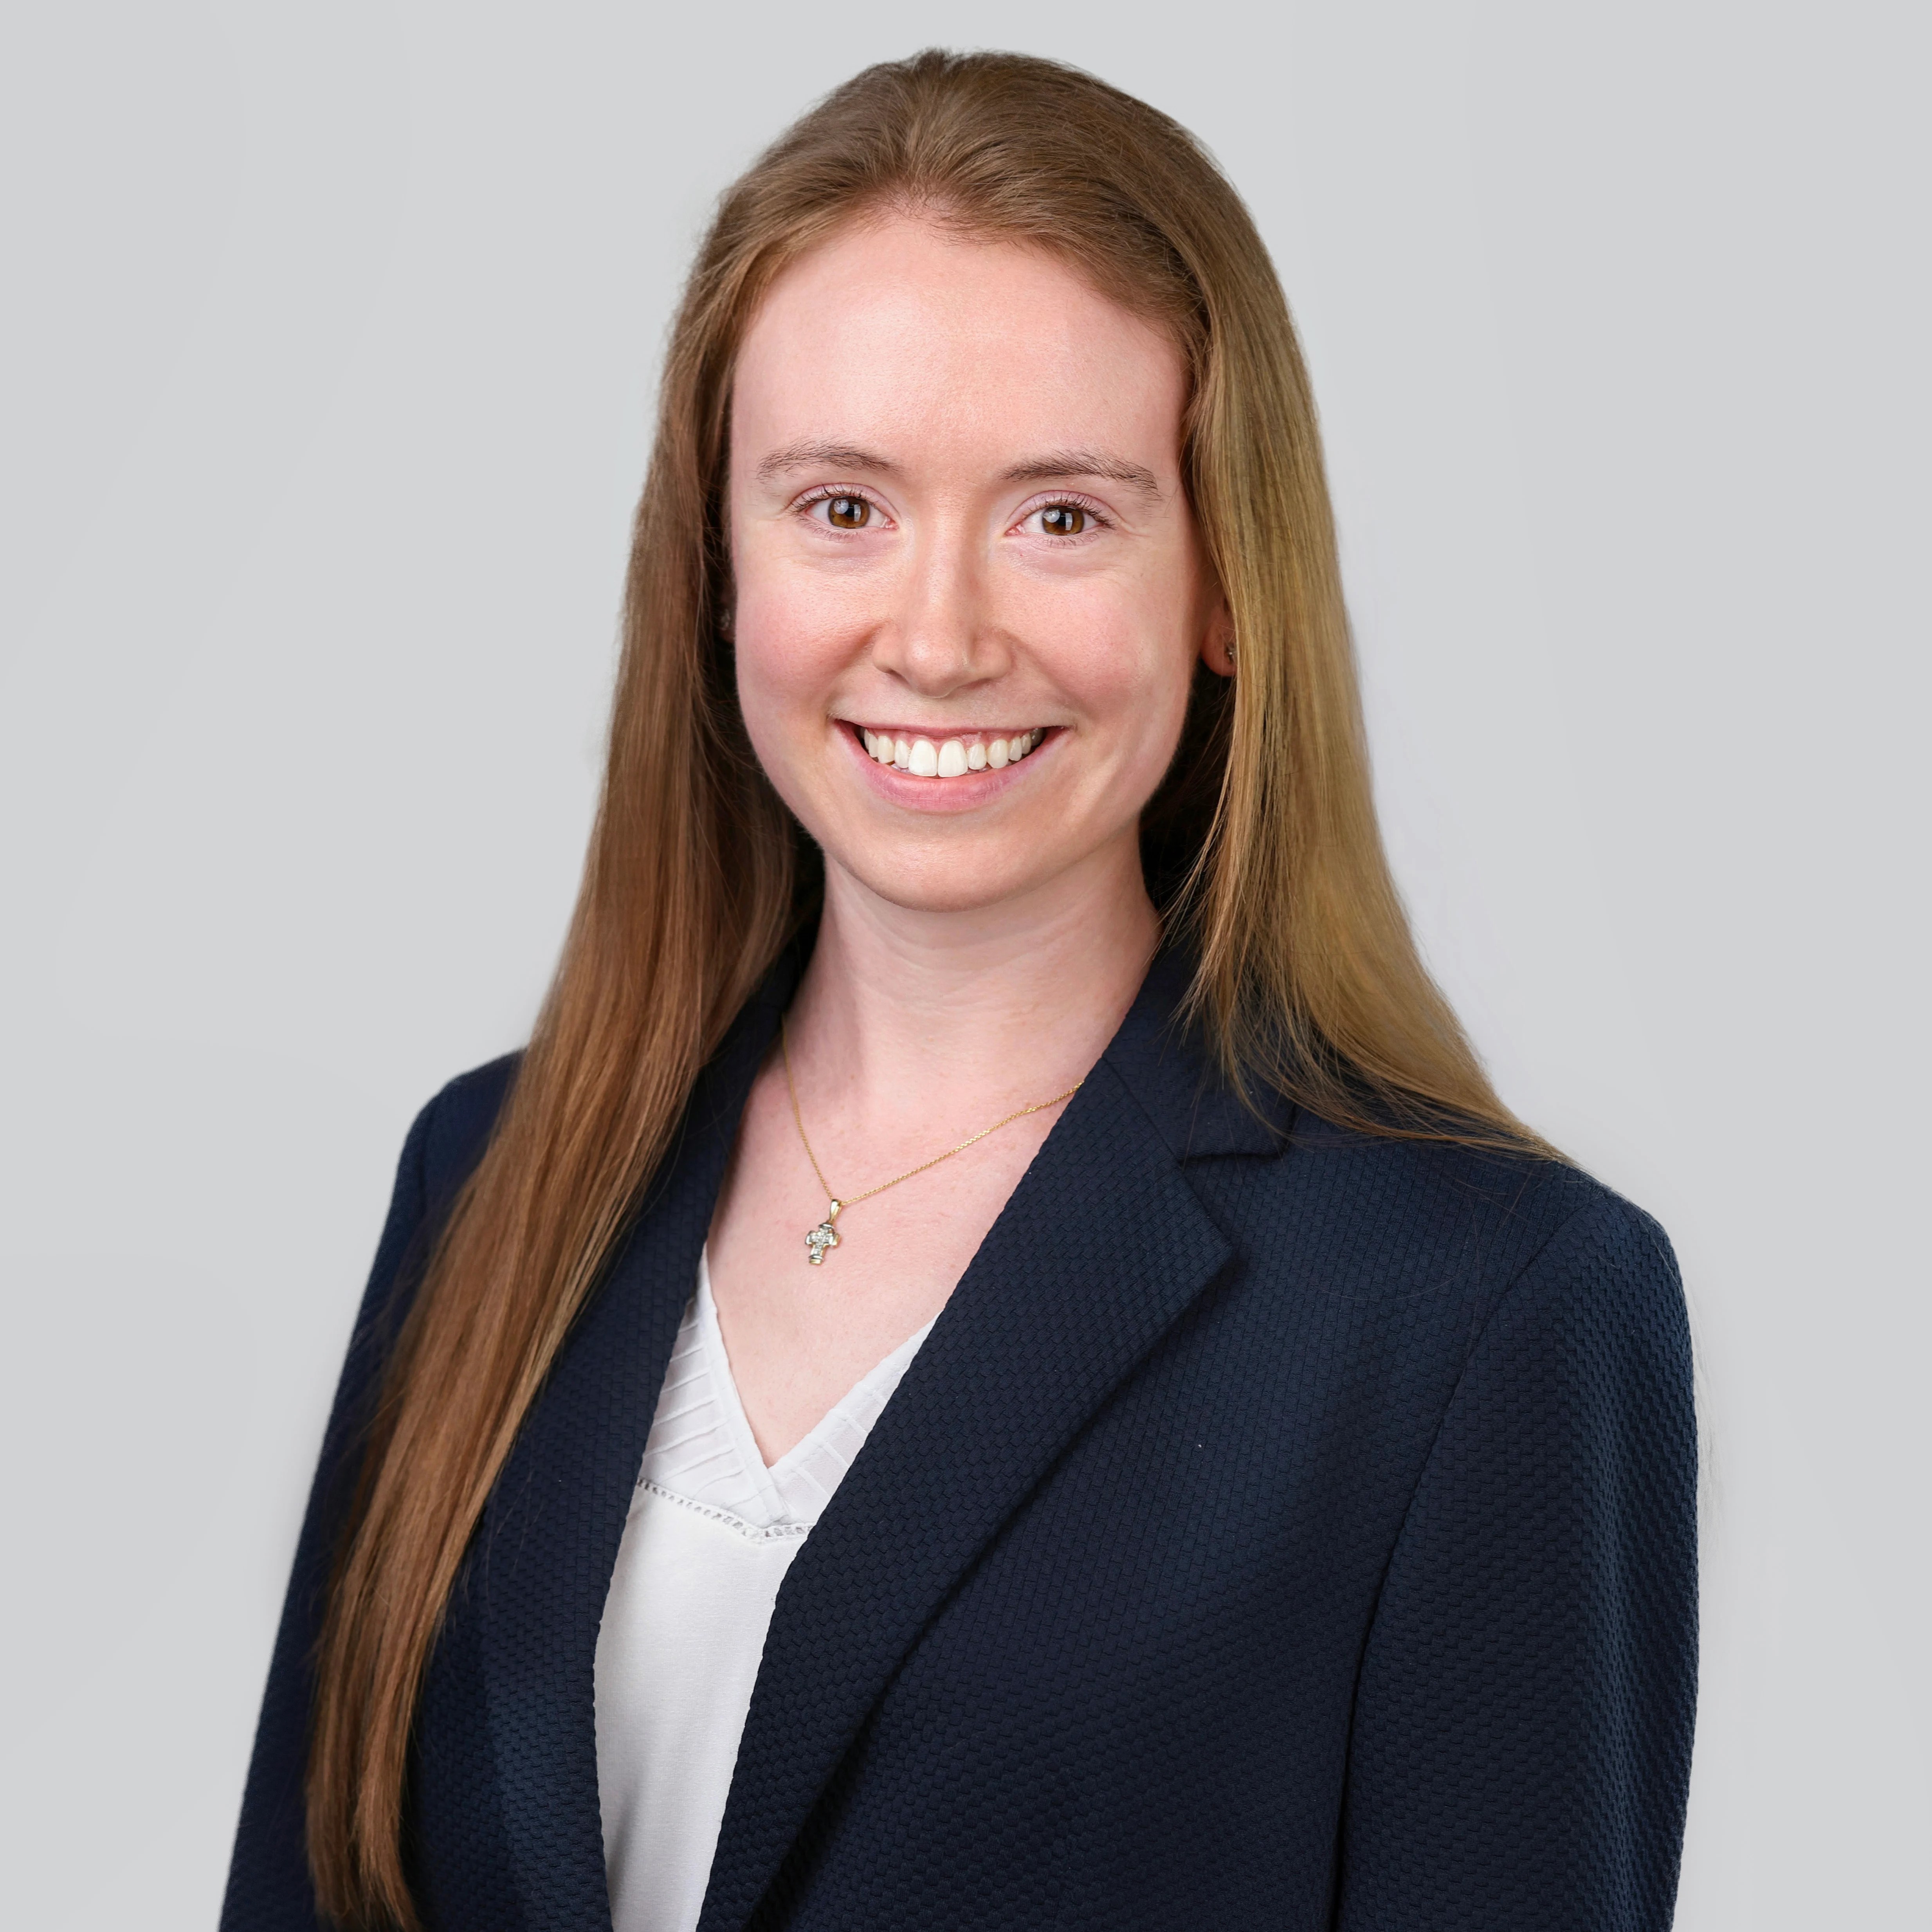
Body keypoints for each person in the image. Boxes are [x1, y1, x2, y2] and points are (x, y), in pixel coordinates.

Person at [222, 48, 1696, 1932]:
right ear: (718, 569)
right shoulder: (491, 1171)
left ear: (1225, 581)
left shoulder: (1484, 1312)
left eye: (1059, 516)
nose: (934, 636)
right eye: (840, 507)